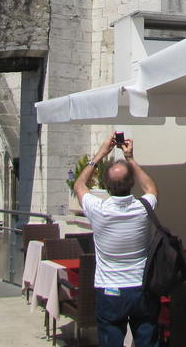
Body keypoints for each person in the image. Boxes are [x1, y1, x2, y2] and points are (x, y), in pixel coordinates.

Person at [74, 132, 159, 347]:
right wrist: (130, 158)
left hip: (110, 289)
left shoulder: (98, 209)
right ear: (131, 183)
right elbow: (151, 188)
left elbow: (79, 186)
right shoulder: (143, 208)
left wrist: (101, 153)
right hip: (140, 287)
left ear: (106, 186)